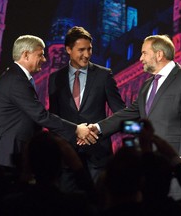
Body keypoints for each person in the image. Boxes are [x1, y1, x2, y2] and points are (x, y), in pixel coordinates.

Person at [89, 34, 181, 200]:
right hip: (152, 167)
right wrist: (98, 128)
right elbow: (129, 113)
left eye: (144, 53)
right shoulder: (146, 85)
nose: (140, 58)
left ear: (159, 54)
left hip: (176, 164)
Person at [0, 35, 97, 168]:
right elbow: (40, 115)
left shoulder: (16, 78)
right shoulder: (16, 81)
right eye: (41, 55)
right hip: (6, 155)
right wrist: (77, 129)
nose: (44, 59)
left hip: (12, 154)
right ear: (26, 55)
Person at [48, 26, 125, 192]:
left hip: (98, 158)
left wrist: (96, 131)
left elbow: (121, 113)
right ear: (68, 49)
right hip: (66, 159)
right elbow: (53, 119)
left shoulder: (104, 75)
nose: (87, 54)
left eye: (89, 49)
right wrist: (74, 133)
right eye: (81, 50)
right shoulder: (55, 79)